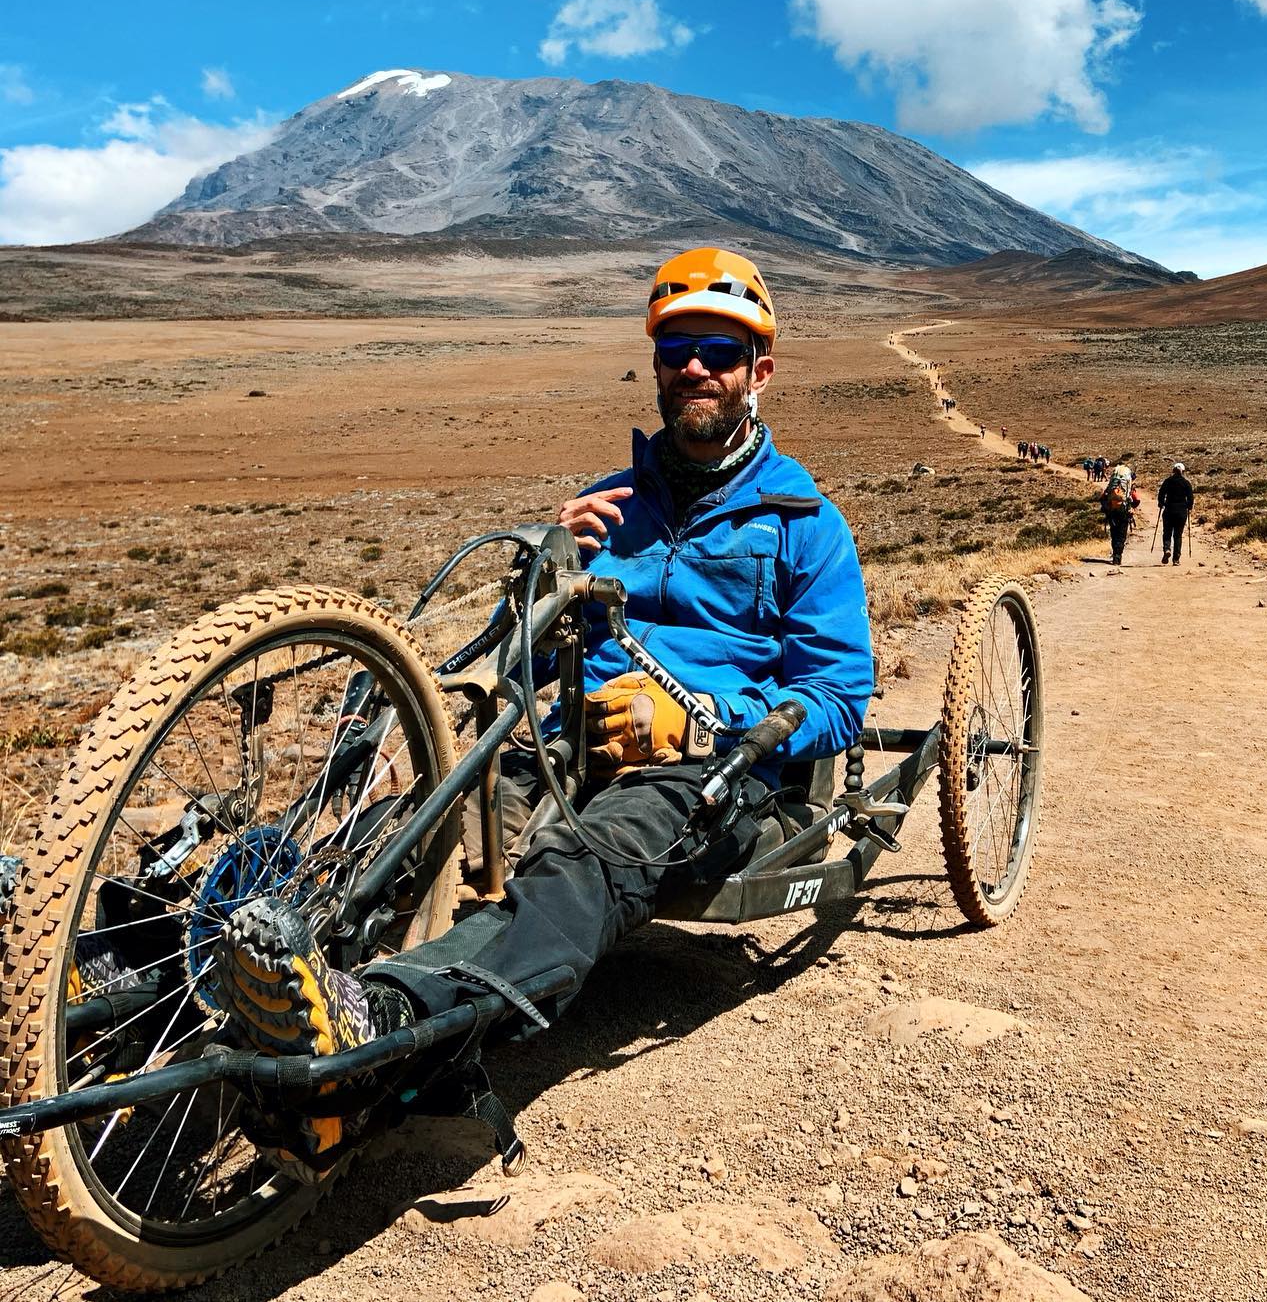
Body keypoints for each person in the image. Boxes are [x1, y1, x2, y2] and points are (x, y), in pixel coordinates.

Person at [211, 247, 875, 1178]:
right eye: (676, 348)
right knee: (419, 825)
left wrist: (704, 723)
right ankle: (197, 978)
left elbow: (839, 694)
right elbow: (514, 653)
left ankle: (393, 1016)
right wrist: (546, 568)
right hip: (568, 738)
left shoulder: (807, 523)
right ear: (654, 363)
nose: (694, 367)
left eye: (719, 352)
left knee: (582, 859)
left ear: (758, 372)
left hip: (708, 774)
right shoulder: (612, 498)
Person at [1100, 463, 1140, 565]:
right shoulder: (1129, 487)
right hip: (1124, 511)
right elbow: (1137, 499)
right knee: (1122, 535)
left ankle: (1115, 556)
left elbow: (1102, 497)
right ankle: (1118, 556)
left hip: (1112, 511)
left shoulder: (1112, 485)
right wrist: (1132, 507)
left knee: (1114, 533)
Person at [1157, 462, 1194, 565]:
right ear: (1183, 472)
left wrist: (1161, 503)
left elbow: (1161, 494)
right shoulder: (1186, 483)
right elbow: (1190, 498)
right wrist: (1188, 506)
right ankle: (1176, 559)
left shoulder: (1168, 481)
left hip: (1169, 510)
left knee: (1167, 532)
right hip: (1181, 512)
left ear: (1173, 471)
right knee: (1178, 535)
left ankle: (1167, 549)